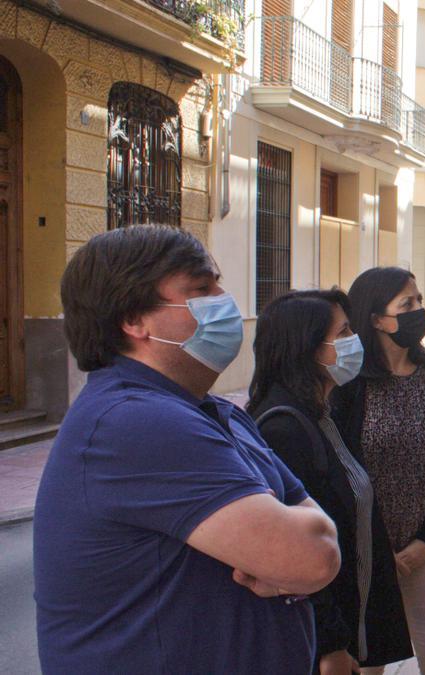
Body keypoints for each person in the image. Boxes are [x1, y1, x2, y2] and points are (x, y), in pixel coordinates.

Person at [34, 225, 340, 673]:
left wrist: (298, 546)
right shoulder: (137, 423)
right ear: (134, 319)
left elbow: (319, 534)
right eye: (200, 289)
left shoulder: (216, 413)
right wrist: (294, 552)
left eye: (217, 285)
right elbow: (313, 558)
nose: (224, 300)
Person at [248, 289, 414, 674]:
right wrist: (330, 643)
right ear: (307, 349)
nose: (353, 342)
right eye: (342, 334)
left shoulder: (322, 413)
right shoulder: (284, 429)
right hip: (316, 643)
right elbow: (292, 550)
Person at [333, 267, 425, 674]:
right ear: (375, 319)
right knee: (370, 662)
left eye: (419, 301)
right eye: (406, 304)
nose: (418, 311)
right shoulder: (351, 385)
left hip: (424, 547)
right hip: (367, 552)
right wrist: (374, 546)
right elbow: (342, 474)